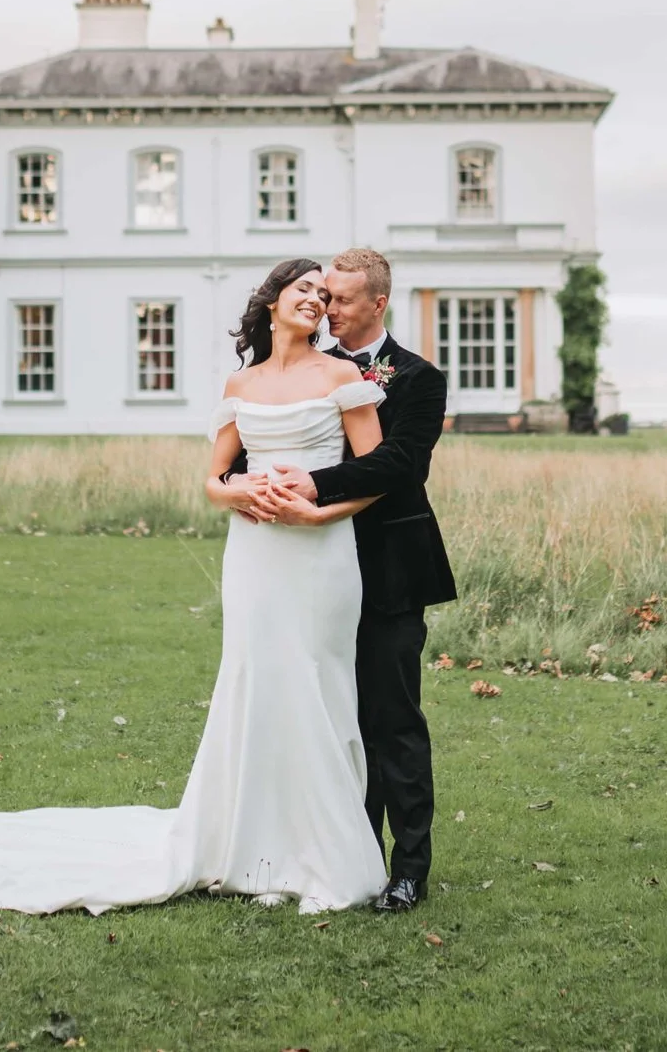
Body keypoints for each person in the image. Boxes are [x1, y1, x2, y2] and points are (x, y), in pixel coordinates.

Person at [0, 258, 391, 914]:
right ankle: (255, 851)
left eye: (323, 293)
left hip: (320, 554)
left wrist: (316, 513)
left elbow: (378, 473)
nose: (316, 300)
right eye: (303, 289)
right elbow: (212, 479)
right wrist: (238, 491)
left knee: (315, 685)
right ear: (273, 301)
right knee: (257, 685)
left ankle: (320, 855)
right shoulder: (241, 383)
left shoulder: (341, 376)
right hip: (256, 555)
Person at [255, 245, 455, 914]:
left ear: (378, 302)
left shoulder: (420, 379)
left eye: (340, 298)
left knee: (392, 720)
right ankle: (346, 857)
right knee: (328, 717)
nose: (326, 307)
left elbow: (401, 466)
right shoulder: (310, 367)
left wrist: (314, 486)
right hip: (312, 572)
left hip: (389, 570)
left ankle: (409, 869)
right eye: (323, 295)